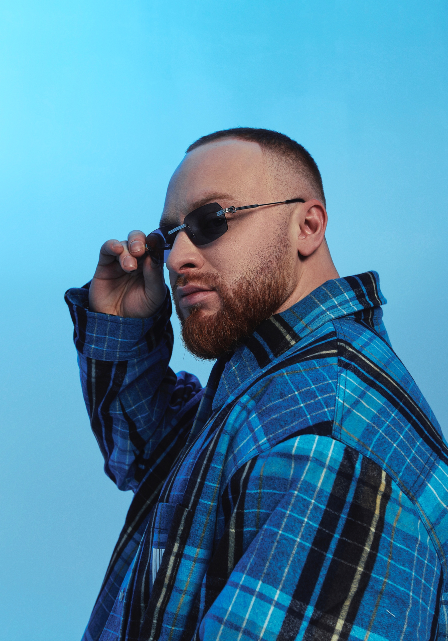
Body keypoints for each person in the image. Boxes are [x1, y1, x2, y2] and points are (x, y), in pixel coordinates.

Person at [65, 128, 448, 641]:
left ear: (307, 227)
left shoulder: (326, 440)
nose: (176, 259)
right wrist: (121, 323)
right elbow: (149, 457)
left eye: (211, 221)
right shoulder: (274, 382)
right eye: (168, 237)